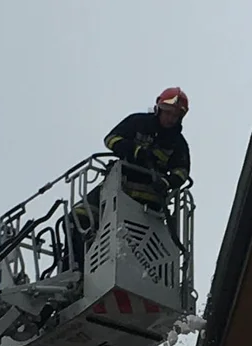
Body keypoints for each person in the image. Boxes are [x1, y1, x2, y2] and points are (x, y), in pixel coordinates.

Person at [66, 87, 191, 270]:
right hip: (117, 186)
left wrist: (166, 182)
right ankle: (76, 267)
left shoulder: (178, 144)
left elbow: (182, 172)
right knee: (78, 217)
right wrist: (134, 150)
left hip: (148, 201)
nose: (171, 118)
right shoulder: (138, 122)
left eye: (175, 115)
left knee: (137, 244)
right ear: (159, 108)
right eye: (168, 112)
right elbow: (111, 139)